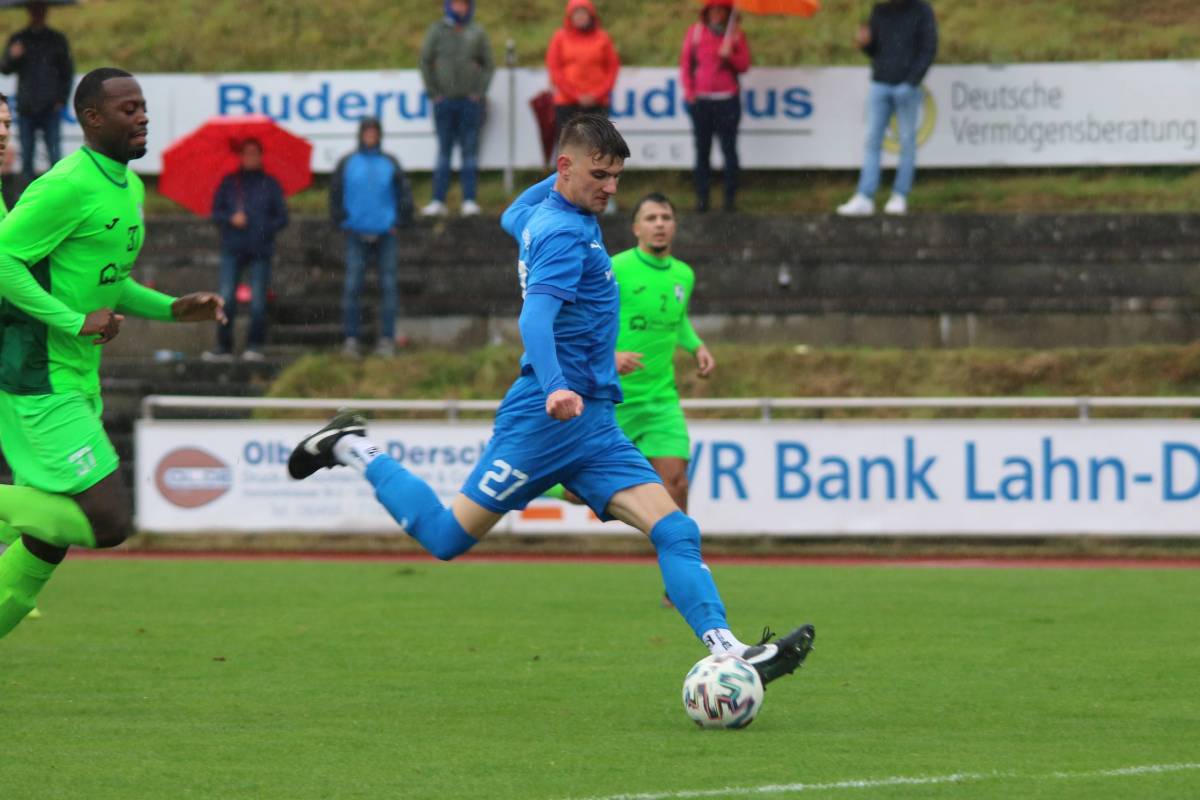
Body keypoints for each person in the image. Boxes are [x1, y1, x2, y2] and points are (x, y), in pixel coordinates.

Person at [287, 115, 815, 685]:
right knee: (443, 537)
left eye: (615, 177)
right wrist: (556, 382)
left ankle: (731, 649)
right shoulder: (565, 234)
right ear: (565, 168)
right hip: (546, 420)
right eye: (599, 175)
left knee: (676, 529)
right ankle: (351, 447)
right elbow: (535, 315)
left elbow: (508, 213)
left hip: (595, 423)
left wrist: (570, 169)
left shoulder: (545, 215)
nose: (611, 189)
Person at [0, 67, 226, 640]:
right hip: (39, 373)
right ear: (92, 119)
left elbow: (109, 281)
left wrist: (173, 309)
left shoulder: (128, 186)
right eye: (128, 109)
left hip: (77, 374)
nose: (142, 116)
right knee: (107, 522)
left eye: (143, 106)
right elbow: (3, 261)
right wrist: (74, 321)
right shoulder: (66, 184)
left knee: (46, 540)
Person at [836, 0, 938, 217]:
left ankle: (900, 195)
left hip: (907, 86)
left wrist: (912, 82)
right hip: (879, 83)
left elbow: (928, 48)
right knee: (872, 140)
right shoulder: (879, 10)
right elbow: (876, 51)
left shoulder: (922, 10)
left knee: (907, 141)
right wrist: (866, 43)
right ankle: (865, 196)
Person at [330, 117, 414, 359]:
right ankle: (351, 339)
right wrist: (341, 221)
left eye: (373, 131)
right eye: (366, 131)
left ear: (379, 134)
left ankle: (387, 339)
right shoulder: (347, 162)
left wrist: (399, 222)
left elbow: (403, 194)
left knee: (388, 287)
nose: (370, 135)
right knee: (352, 287)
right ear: (360, 134)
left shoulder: (390, 162)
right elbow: (335, 194)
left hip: (386, 234)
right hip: (356, 234)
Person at [203, 138, 288, 362]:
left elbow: (282, 218)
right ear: (241, 156)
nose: (250, 158)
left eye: (254, 154)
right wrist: (231, 218)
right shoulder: (230, 183)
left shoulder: (270, 184)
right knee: (226, 298)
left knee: (258, 301)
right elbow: (216, 212)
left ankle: (255, 345)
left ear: (260, 157)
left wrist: (262, 227)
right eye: (246, 153)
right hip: (233, 248)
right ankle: (224, 346)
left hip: (260, 250)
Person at [419, 0, 494, 218]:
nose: (459, 8)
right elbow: (425, 61)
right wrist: (434, 93)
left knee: (469, 152)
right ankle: (437, 200)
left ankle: (469, 200)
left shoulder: (476, 31)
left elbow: (488, 64)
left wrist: (479, 92)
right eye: (456, 4)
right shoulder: (437, 30)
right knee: (444, 152)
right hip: (445, 103)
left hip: (469, 104)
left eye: (463, 4)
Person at [546, 0, 620, 216]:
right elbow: (555, 70)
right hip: (567, 103)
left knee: (601, 151)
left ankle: (602, 196)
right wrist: (575, 94)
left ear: (591, 15)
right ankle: (561, 198)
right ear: (570, 16)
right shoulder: (560, 38)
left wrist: (596, 95)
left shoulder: (602, 38)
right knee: (568, 153)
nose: (580, 17)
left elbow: (612, 69)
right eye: (576, 13)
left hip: (597, 104)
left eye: (583, 13)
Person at [680, 0, 750, 214]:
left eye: (721, 11)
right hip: (702, 102)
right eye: (714, 10)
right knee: (703, 151)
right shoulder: (696, 33)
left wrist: (731, 56)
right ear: (707, 12)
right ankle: (702, 200)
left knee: (729, 151)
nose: (717, 15)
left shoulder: (735, 35)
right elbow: (686, 65)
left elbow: (744, 65)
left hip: (727, 100)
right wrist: (691, 93)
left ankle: (730, 201)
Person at [0, 1, 73, 184]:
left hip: (50, 106)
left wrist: (61, 99)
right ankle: (27, 194)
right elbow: (5, 68)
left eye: (41, 9)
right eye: (34, 9)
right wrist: (12, 56)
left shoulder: (57, 39)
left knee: (55, 154)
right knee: (27, 157)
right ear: (29, 11)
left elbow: (67, 72)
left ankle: (58, 191)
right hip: (26, 106)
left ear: (45, 11)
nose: (37, 13)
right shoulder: (19, 39)